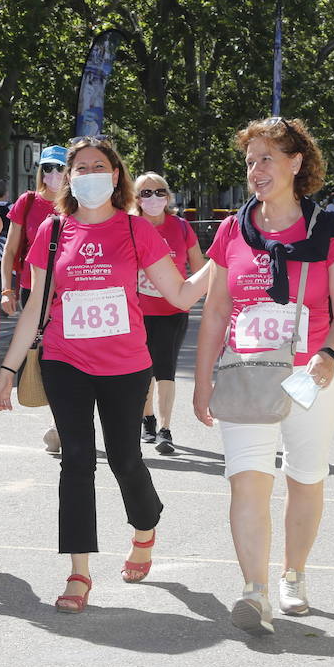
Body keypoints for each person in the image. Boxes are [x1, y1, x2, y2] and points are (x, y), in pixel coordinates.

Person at [0, 137, 211, 613]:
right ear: (69, 177)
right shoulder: (52, 230)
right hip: (65, 362)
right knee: (76, 462)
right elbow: (34, 308)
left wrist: (228, 252)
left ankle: (145, 528)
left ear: (115, 176)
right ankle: (78, 570)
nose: (89, 173)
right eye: (80, 167)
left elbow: (179, 294)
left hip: (127, 366)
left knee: (126, 459)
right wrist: (8, 367)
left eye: (99, 166)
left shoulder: (135, 230)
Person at [192, 117, 334, 635]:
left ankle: (294, 573)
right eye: (250, 161)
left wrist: (331, 353)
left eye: (267, 158)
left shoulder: (328, 230)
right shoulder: (232, 229)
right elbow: (216, 312)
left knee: (305, 477)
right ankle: (254, 592)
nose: (256, 170)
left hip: (311, 374)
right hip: (246, 373)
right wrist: (202, 383)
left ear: (296, 163)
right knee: (247, 481)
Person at [0, 144, 68, 453]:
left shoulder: (80, 203)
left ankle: (66, 422)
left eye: (59, 168)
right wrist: (6, 288)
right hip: (35, 291)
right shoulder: (27, 203)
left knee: (69, 353)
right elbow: (11, 250)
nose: (53, 174)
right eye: (47, 168)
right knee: (45, 355)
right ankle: (61, 421)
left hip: (71, 290)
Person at [134, 172, 205, 455]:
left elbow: (200, 267)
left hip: (173, 310)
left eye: (159, 192)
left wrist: (201, 299)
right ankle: (147, 418)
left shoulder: (181, 227)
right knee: (143, 370)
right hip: (136, 311)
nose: (153, 198)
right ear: (136, 199)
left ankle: (165, 429)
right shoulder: (130, 226)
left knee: (165, 367)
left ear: (168, 196)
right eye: (146, 193)